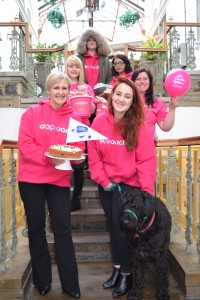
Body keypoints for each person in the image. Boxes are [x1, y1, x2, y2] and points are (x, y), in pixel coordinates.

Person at [17, 72, 85, 299]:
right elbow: (25, 144)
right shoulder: (32, 112)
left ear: (69, 91)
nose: (61, 92)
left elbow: (77, 146)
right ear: (48, 89)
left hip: (59, 180)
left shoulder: (74, 117)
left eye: (64, 88)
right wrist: (48, 157)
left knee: (63, 230)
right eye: (56, 88)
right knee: (36, 229)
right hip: (31, 179)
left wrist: (77, 157)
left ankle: (70, 284)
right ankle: (42, 280)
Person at [88, 77, 157, 298]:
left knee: (122, 233)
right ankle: (118, 269)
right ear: (112, 95)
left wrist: (146, 193)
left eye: (127, 96)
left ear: (132, 102)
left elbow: (146, 161)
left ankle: (127, 274)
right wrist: (103, 179)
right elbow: (94, 154)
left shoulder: (139, 126)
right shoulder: (98, 122)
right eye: (119, 94)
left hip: (130, 188)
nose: (121, 99)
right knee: (112, 228)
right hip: (107, 185)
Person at [64, 55, 97, 212]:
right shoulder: (62, 85)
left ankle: (76, 199)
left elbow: (92, 111)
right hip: (64, 128)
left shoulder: (87, 87)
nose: (74, 69)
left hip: (81, 129)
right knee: (63, 164)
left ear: (80, 69)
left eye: (77, 66)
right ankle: (61, 199)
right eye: (71, 66)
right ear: (67, 68)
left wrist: (87, 95)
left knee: (78, 167)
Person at [131, 67, 179, 141]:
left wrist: (172, 109)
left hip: (147, 148)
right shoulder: (126, 99)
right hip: (127, 146)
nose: (142, 82)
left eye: (145, 79)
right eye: (138, 79)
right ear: (133, 82)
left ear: (150, 82)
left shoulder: (157, 102)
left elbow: (165, 127)